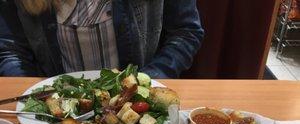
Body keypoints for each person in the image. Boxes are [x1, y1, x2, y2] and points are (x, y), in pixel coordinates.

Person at [0, 0, 204, 78]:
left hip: (139, 109)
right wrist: (37, 96)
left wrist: (146, 82)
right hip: (56, 115)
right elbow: (11, 51)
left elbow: (185, 32)